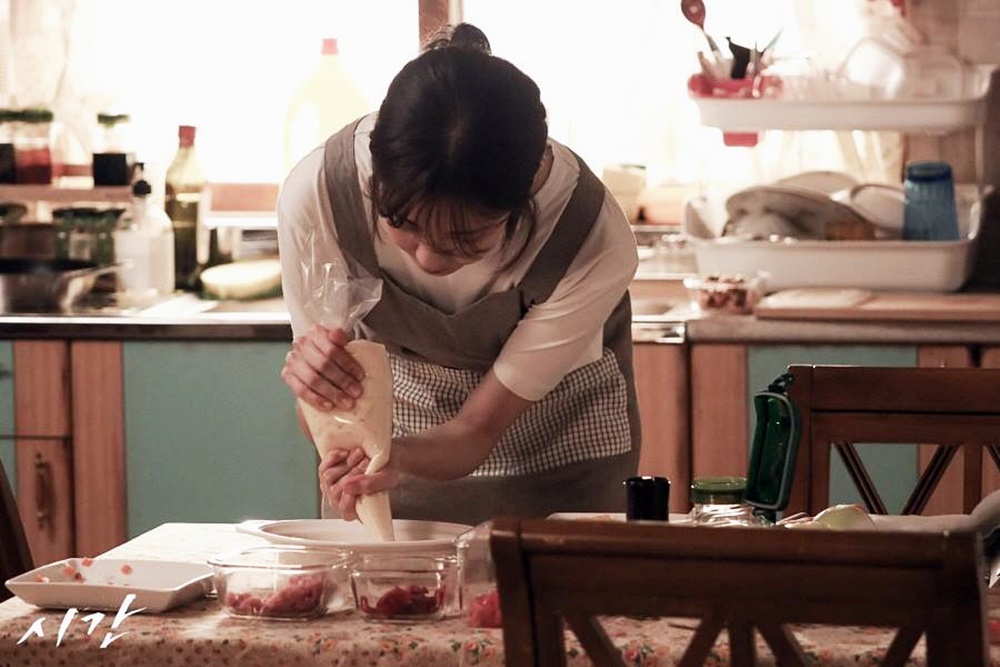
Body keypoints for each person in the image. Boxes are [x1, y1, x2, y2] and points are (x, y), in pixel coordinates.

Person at [278, 23, 640, 526]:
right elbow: (320, 412)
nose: (427, 259)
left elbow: (476, 429)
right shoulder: (321, 194)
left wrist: (392, 455)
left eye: (463, 239)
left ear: (523, 203)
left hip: (558, 466)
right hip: (395, 460)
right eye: (401, 223)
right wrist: (321, 394)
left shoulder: (590, 235)